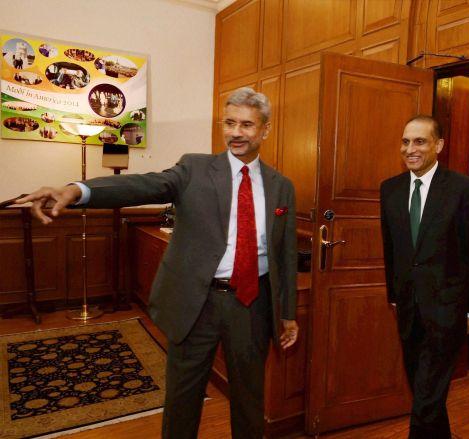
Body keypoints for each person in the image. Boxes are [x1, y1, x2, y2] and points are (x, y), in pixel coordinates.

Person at [16, 87, 299, 439]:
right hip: (197, 303)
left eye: (246, 125)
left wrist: (287, 313)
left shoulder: (281, 186)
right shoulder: (194, 168)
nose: (236, 133)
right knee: (183, 397)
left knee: (249, 399)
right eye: (229, 123)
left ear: (265, 130)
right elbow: (143, 185)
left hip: (251, 306)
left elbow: (284, 252)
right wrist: (78, 191)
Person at [380, 115, 469, 438]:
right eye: (405, 142)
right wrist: (394, 297)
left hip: (448, 310)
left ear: (438, 145)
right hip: (408, 309)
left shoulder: (462, 190)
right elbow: (391, 249)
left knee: (426, 397)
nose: (410, 149)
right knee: (423, 388)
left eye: (420, 141)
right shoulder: (390, 190)